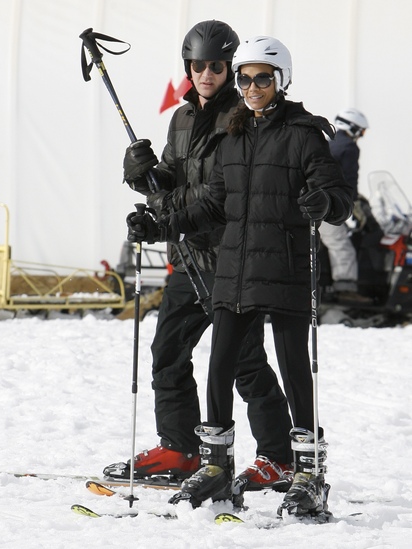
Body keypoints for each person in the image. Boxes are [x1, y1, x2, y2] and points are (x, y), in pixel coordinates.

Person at [127, 35, 353, 518]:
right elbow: (212, 202)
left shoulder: (304, 132)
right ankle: (216, 467)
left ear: (281, 81)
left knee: (294, 370)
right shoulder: (233, 134)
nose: (251, 87)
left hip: (286, 267)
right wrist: (159, 224)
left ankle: (308, 472)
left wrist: (325, 203)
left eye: (262, 78)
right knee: (220, 365)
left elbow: (339, 199)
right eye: (246, 78)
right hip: (234, 268)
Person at [105, 21, 294, 498]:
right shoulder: (182, 118)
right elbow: (175, 175)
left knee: (244, 363)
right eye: (198, 65)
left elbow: (219, 195)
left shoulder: (242, 118)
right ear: (187, 67)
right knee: (168, 352)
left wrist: (165, 220)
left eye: (216, 65)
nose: (206, 73)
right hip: (189, 257)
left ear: (229, 68)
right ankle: (180, 448)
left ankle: (278, 456)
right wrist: (145, 173)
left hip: (230, 260)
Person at [319, 108, 371, 304]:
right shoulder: (348, 147)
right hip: (326, 207)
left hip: (312, 202)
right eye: (361, 131)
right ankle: (345, 288)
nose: (361, 136)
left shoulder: (328, 143)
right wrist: (354, 203)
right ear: (353, 128)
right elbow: (349, 178)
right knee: (341, 245)